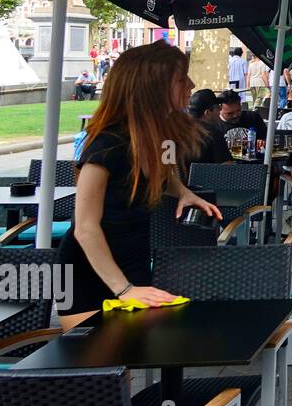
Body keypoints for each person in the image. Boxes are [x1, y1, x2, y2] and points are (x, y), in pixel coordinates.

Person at [59, 43, 222, 328]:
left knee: (127, 362)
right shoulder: (106, 145)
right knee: (95, 365)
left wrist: (183, 192)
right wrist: (124, 289)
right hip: (87, 270)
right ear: (153, 87)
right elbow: (85, 228)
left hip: (132, 260)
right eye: (182, 78)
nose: (192, 85)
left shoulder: (161, 135)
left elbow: (166, 170)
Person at [186, 89, 233, 164]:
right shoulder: (213, 134)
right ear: (207, 113)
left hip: (179, 175)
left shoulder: (180, 132)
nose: (220, 109)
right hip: (208, 175)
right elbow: (227, 167)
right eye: (218, 107)